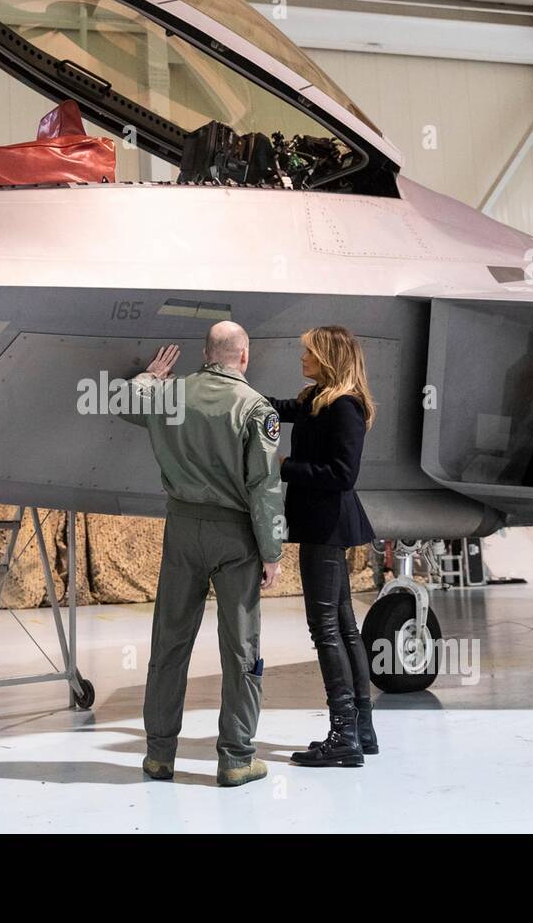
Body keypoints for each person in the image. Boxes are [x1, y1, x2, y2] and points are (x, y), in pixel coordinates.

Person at [120, 322, 284, 788]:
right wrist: (271, 551)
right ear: (244, 357)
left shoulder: (172, 396)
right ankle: (235, 758)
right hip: (236, 538)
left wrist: (152, 376)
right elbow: (264, 487)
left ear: (206, 353)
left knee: (170, 643)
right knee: (241, 650)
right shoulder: (256, 409)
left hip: (182, 530)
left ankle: (158, 755)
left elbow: (124, 402)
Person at [266, 326, 378, 767]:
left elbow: (342, 476)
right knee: (345, 628)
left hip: (327, 529)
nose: (302, 357)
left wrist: (285, 467)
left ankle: (343, 736)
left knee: (326, 629)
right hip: (322, 527)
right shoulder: (317, 399)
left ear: (328, 355)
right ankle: (361, 730)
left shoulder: (345, 407)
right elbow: (281, 408)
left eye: (309, 351)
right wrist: (238, 394)